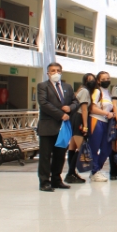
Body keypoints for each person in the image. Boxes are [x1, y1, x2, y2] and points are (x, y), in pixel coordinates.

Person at [36, 62, 78, 192]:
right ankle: (44, 182)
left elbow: (75, 102)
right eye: (52, 70)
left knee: (60, 155)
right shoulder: (43, 86)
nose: (56, 73)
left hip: (63, 128)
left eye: (58, 70)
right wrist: (61, 114)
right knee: (45, 156)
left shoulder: (67, 87)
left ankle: (56, 179)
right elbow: (43, 103)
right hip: (48, 126)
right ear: (48, 73)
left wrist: (70, 108)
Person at [65, 72, 94, 184]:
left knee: (72, 147)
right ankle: (70, 173)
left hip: (74, 118)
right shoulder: (85, 91)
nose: (92, 81)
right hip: (79, 119)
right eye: (89, 79)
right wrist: (86, 126)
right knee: (81, 147)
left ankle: (71, 173)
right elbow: (84, 109)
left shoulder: (81, 90)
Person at [88, 71, 115, 182]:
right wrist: (106, 114)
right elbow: (92, 108)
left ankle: (96, 169)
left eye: (108, 78)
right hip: (96, 120)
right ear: (98, 80)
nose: (106, 80)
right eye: (103, 79)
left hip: (106, 123)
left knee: (106, 149)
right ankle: (95, 171)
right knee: (94, 147)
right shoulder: (96, 92)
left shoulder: (108, 92)